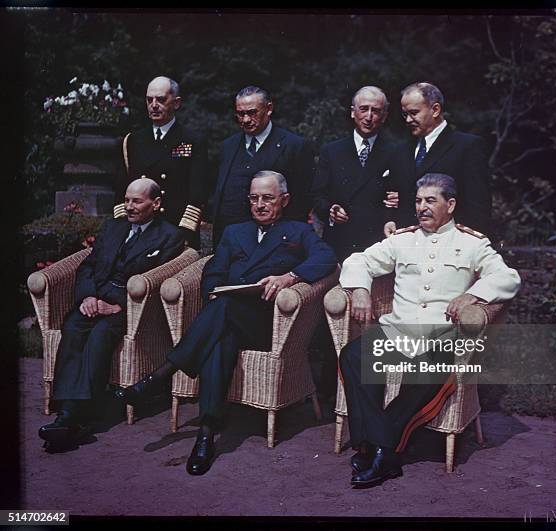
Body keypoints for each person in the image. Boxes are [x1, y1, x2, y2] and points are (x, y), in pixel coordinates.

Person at [116, 171, 337, 476]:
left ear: (284, 200)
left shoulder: (299, 231)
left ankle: (162, 375)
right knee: (220, 339)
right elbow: (213, 274)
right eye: (254, 198)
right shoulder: (235, 232)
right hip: (226, 319)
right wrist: (216, 294)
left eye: (267, 198)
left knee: (224, 314)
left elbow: (327, 259)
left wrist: (289, 277)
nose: (259, 204)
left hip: (268, 327)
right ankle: (205, 436)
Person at [339, 173, 520, 488]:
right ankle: (382, 452)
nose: (422, 207)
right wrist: (360, 290)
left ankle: (376, 450)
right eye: (419, 201)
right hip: (397, 333)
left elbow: (509, 278)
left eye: (430, 200)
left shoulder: (472, 243)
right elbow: (358, 261)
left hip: (441, 337)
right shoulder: (403, 239)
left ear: (450, 205)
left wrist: (473, 294)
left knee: (426, 372)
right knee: (354, 356)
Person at [39, 178, 185, 450]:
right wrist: (88, 297)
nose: (129, 207)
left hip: (131, 308)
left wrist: (118, 305)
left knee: (100, 336)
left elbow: (156, 280)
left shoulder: (169, 236)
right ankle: (70, 416)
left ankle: (75, 415)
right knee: (73, 328)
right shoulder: (113, 228)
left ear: (156, 203)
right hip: (96, 298)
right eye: (127, 200)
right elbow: (87, 266)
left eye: (137, 201)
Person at [210, 86, 315, 247]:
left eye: (252, 112)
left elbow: (302, 201)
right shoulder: (228, 146)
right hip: (229, 240)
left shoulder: (294, 146)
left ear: (269, 109)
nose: (245, 120)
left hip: (274, 242)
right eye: (240, 114)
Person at [386, 82, 491, 237]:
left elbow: (478, 205)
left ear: (435, 109)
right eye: (405, 114)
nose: (408, 120)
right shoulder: (400, 150)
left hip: (450, 246)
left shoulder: (467, 146)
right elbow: (394, 196)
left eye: (414, 113)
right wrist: (389, 219)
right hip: (407, 246)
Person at [114, 76, 208, 249]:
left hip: (175, 231)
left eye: (161, 99)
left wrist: (185, 231)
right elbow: (121, 189)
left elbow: (198, 193)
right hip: (138, 231)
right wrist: (121, 227)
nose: (154, 105)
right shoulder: (133, 141)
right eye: (150, 100)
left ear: (177, 103)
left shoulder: (192, 140)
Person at [312, 86, 399, 263]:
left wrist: (401, 197)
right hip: (339, 243)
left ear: (384, 116)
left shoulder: (397, 152)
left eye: (375, 111)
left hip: (377, 244)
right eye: (363, 109)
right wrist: (330, 211)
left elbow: (406, 193)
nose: (368, 117)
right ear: (353, 112)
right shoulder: (331, 151)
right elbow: (316, 195)